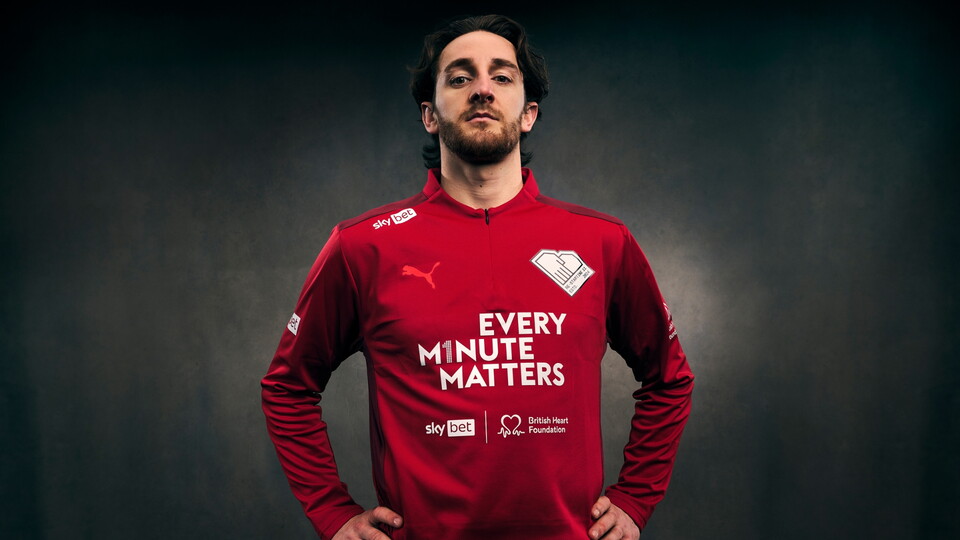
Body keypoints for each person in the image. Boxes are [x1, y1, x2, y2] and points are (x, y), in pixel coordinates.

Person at [261, 14, 694, 540]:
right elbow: (288, 388)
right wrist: (333, 513)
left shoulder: (602, 242)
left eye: (502, 76)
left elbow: (668, 379)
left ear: (528, 113)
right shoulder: (362, 246)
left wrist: (636, 497)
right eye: (460, 77)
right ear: (430, 114)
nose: (482, 89)